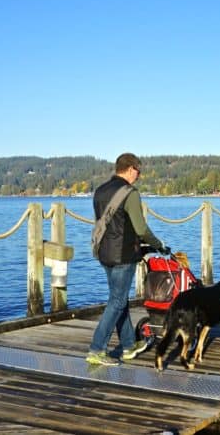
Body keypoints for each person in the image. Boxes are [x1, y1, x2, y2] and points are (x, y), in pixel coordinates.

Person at [86, 153, 170, 366]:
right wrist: (158, 244)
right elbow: (140, 228)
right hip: (124, 255)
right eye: (139, 172)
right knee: (116, 301)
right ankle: (97, 349)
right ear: (131, 168)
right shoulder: (130, 193)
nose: (139, 177)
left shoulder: (100, 191)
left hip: (104, 253)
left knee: (119, 299)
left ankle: (128, 345)